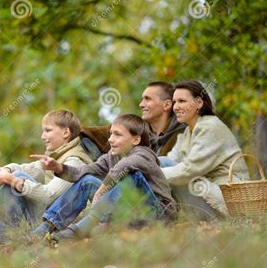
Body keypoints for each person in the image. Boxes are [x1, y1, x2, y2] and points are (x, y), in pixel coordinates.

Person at [32, 114, 177, 242]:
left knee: (131, 175)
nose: (111, 139)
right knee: (87, 180)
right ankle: (45, 229)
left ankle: (79, 230)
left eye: (117, 135)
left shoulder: (144, 154)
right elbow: (83, 171)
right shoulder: (111, 157)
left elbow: (126, 166)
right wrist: (58, 167)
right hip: (131, 213)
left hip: (158, 214)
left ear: (136, 139)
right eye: (111, 134)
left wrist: (102, 189)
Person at [0, 110, 92, 243]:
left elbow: (48, 195)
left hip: (64, 224)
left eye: (48, 130)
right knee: (17, 175)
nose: (43, 136)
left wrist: (12, 180)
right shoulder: (57, 155)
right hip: (52, 217)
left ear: (65, 133)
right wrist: (7, 169)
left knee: (16, 178)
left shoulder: (74, 160)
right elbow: (29, 168)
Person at [159, 80, 250, 219]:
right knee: (152, 165)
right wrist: (143, 164)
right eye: (174, 102)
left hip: (226, 204)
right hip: (203, 192)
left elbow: (189, 170)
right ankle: (139, 214)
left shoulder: (210, 127)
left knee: (154, 168)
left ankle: (137, 216)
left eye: (182, 101)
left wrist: (151, 171)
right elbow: (169, 160)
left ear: (199, 103)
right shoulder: (187, 133)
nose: (176, 107)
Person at [80, 81, 185, 157]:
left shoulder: (181, 133)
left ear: (166, 105)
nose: (141, 104)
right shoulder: (140, 128)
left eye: (147, 99)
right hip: (126, 181)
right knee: (83, 141)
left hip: (157, 183)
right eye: (142, 99)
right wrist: (75, 129)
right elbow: (103, 132)